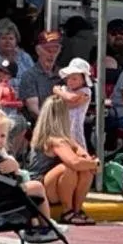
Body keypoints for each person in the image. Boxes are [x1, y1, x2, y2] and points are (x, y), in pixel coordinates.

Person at [0, 104, 58, 242]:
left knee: (27, 187)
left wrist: (14, 166)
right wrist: (13, 165)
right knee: (37, 187)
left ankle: (34, 221)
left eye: (2, 136)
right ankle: (46, 226)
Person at [27, 96, 97, 225]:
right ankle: (67, 211)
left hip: (55, 186)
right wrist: (94, 163)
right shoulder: (53, 140)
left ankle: (77, 210)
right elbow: (74, 162)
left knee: (86, 170)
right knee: (68, 168)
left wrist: (89, 163)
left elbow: (83, 156)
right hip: (40, 186)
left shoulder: (66, 139)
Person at [54, 58, 93, 151]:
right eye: (68, 78)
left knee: (77, 148)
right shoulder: (65, 89)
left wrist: (58, 91)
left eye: (74, 79)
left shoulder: (85, 91)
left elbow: (71, 98)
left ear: (84, 80)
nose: (70, 81)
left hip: (75, 126)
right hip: (62, 124)